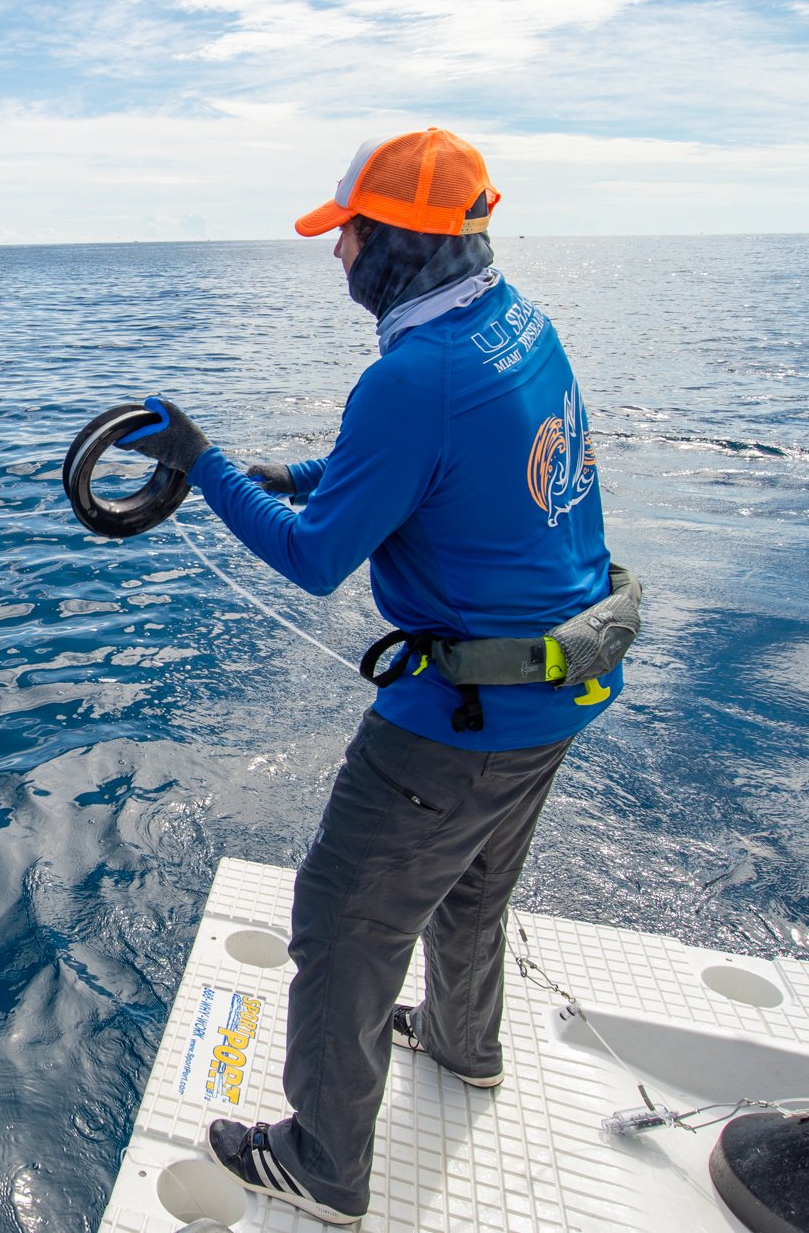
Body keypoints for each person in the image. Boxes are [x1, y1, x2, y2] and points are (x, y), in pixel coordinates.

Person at [119, 128, 628, 1225]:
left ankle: (322, 1164)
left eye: (347, 231)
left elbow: (312, 559)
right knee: (472, 887)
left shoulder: (412, 377)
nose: (335, 251)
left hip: (451, 725)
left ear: (396, 242)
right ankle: (459, 1043)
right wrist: (290, 473)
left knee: (343, 926)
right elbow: (437, 466)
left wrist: (201, 464)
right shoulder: (517, 325)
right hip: (558, 692)